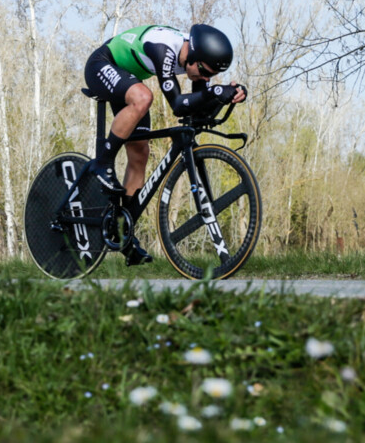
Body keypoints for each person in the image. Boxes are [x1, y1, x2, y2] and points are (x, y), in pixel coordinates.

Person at [83, 23, 247, 263]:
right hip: (102, 64)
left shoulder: (196, 61)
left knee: (140, 152)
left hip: (127, 76)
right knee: (144, 97)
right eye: (203, 72)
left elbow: (198, 109)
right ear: (193, 54)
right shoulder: (164, 48)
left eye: (210, 75)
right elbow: (179, 104)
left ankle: (123, 233)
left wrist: (229, 95)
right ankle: (102, 163)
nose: (205, 78)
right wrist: (214, 92)